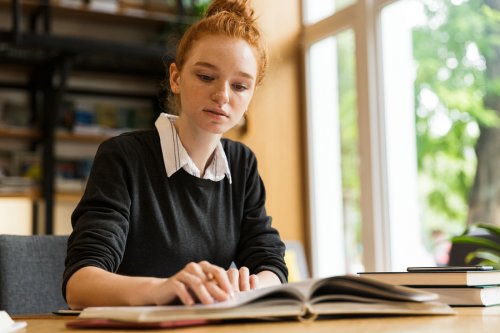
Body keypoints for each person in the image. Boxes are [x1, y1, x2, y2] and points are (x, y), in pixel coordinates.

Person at [63, 0, 288, 309]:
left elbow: (272, 266)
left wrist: (247, 288)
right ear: (176, 78)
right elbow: (79, 284)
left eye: (239, 85)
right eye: (206, 77)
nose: (222, 95)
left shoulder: (242, 164)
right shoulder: (123, 156)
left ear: (251, 96)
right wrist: (165, 289)